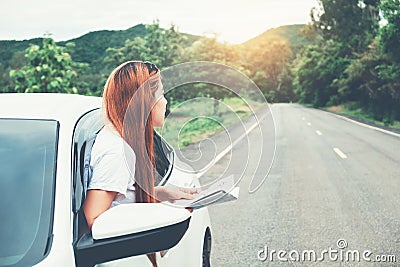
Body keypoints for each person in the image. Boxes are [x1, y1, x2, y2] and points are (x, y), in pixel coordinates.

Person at [83, 61, 198, 267]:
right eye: (161, 94)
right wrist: (165, 215)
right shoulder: (117, 151)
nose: (165, 101)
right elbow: (94, 220)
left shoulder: (122, 140)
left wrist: (159, 193)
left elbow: (119, 196)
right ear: (144, 101)